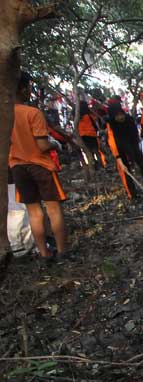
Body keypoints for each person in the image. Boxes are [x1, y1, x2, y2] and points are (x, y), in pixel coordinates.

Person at [9, 71, 68, 260]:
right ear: (24, 89)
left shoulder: (5, 115)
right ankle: (62, 251)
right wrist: (56, 144)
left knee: (34, 212)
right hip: (40, 165)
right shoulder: (32, 113)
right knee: (53, 209)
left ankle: (44, 254)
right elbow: (42, 145)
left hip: (18, 167)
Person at [106, 102, 143, 197]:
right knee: (125, 171)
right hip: (120, 150)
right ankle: (132, 194)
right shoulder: (111, 125)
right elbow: (113, 143)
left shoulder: (129, 120)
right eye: (117, 116)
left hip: (132, 146)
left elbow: (135, 135)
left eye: (121, 114)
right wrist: (119, 159)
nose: (121, 117)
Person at [77, 101, 106, 169]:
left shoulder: (78, 118)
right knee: (96, 150)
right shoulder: (89, 116)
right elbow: (94, 124)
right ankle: (101, 165)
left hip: (83, 137)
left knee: (90, 152)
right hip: (91, 135)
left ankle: (93, 165)